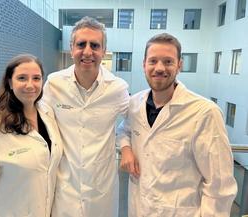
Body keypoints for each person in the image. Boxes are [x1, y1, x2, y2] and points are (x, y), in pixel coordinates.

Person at [117, 33, 237, 217]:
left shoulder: (204, 113)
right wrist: (126, 148)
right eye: (153, 61)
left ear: (179, 65)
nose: (159, 68)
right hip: (139, 208)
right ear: (144, 64)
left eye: (168, 61)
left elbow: (219, 185)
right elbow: (124, 129)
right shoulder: (135, 103)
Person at [39, 16, 130, 217]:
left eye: (95, 45)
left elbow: (135, 122)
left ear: (103, 51)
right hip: (65, 188)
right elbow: (34, 114)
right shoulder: (54, 84)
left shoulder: (117, 88)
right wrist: (0, 113)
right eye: (81, 44)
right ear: (71, 48)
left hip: (101, 191)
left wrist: (125, 145)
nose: (87, 51)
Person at [0, 54, 63, 217]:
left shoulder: (48, 115)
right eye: (22, 78)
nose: (30, 85)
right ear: (9, 82)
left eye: (36, 78)